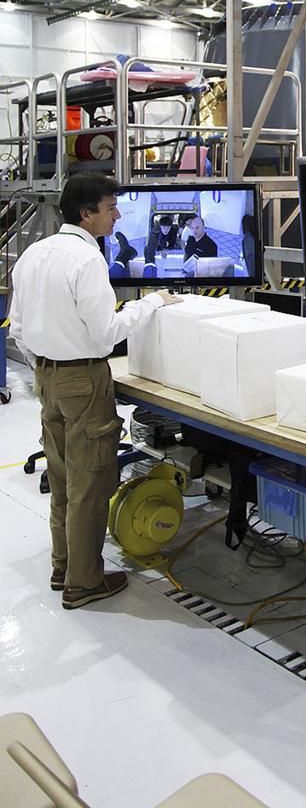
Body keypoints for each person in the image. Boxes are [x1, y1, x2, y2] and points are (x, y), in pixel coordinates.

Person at [8, 173, 181, 610]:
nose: (117, 214)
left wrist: (47, 368)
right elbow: (105, 334)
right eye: (110, 207)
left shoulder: (33, 253)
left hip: (47, 378)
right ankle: (84, 583)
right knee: (92, 483)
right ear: (86, 214)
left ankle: (63, 565)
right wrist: (153, 302)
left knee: (64, 476)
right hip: (83, 379)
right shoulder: (86, 261)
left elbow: (20, 328)